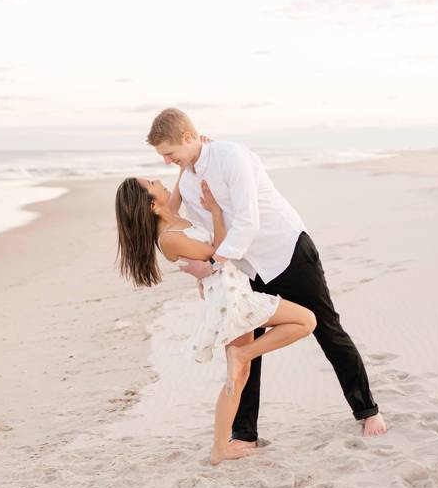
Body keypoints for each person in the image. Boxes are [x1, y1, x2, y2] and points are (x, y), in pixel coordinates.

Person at [147, 107, 388, 440]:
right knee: (248, 347)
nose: (167, 161)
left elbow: (248, 220)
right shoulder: (187, 184)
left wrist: (215, 264)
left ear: (188, 137)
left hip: (287, 252)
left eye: (170, 153)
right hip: (247, 267)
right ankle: (244, 433)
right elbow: (208, 230)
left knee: (328, 330)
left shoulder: (231, 156)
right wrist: (210, 273)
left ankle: (367, 411)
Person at [115, 176, 317, 465]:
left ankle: (220, 447)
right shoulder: (169, 237)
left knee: (240, 375)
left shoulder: (169, 212)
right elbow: (222, 253)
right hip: (230, 298)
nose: (158, 180)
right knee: (305, 321)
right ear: (151, 205)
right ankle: (240, 363)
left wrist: (188, 157)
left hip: (231, 290)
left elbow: (182, 179)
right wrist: (216, 213)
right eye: (151, 183)